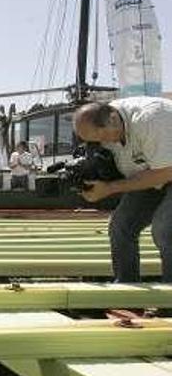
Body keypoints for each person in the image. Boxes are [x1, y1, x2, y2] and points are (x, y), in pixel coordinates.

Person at [73, 98, 172, 284]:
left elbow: (165, 172)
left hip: (164, 171)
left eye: (101, 138)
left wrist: (109, 188)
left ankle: (169, 298)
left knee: (165, 229)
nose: (102, 144)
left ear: (112, 119)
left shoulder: (151, 120)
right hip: (150, 172)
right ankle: (127, 289)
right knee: (120, 226)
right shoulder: (110, 121)